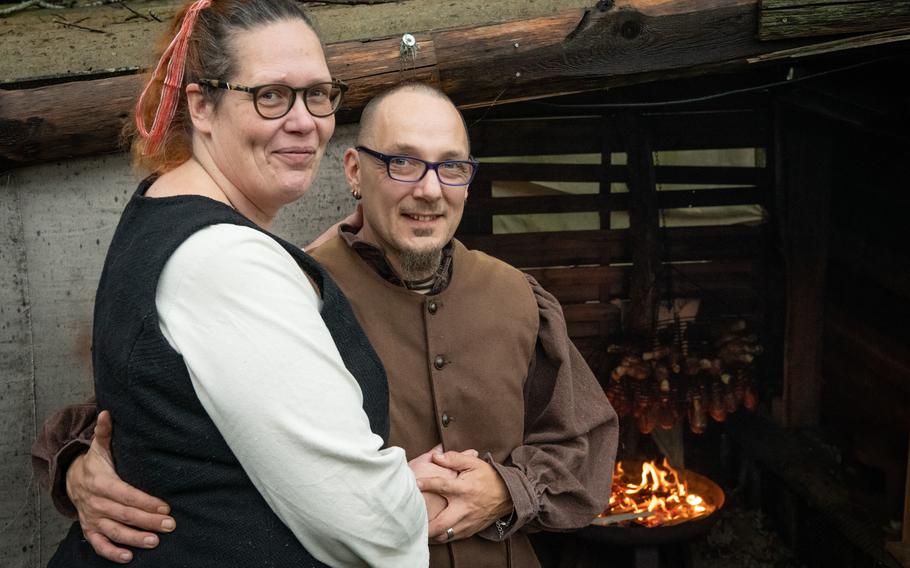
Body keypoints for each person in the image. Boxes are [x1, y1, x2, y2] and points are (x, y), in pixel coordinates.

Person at [34, 82, 619, 567]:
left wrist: (507, 490)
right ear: (355, 171)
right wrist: (82, 464)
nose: (430, 190)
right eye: (404, 163)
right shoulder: (280, 291)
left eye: (451, 168)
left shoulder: (518, 296)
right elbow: (148, 405)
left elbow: (582, 446)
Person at [40, 1, 432, 566]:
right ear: (202, 105)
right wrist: (410, 506)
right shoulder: (225, 262)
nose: (304, 120)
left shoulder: (164, 206)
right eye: (270, 96)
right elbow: (368, 525)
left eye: (318, 93)